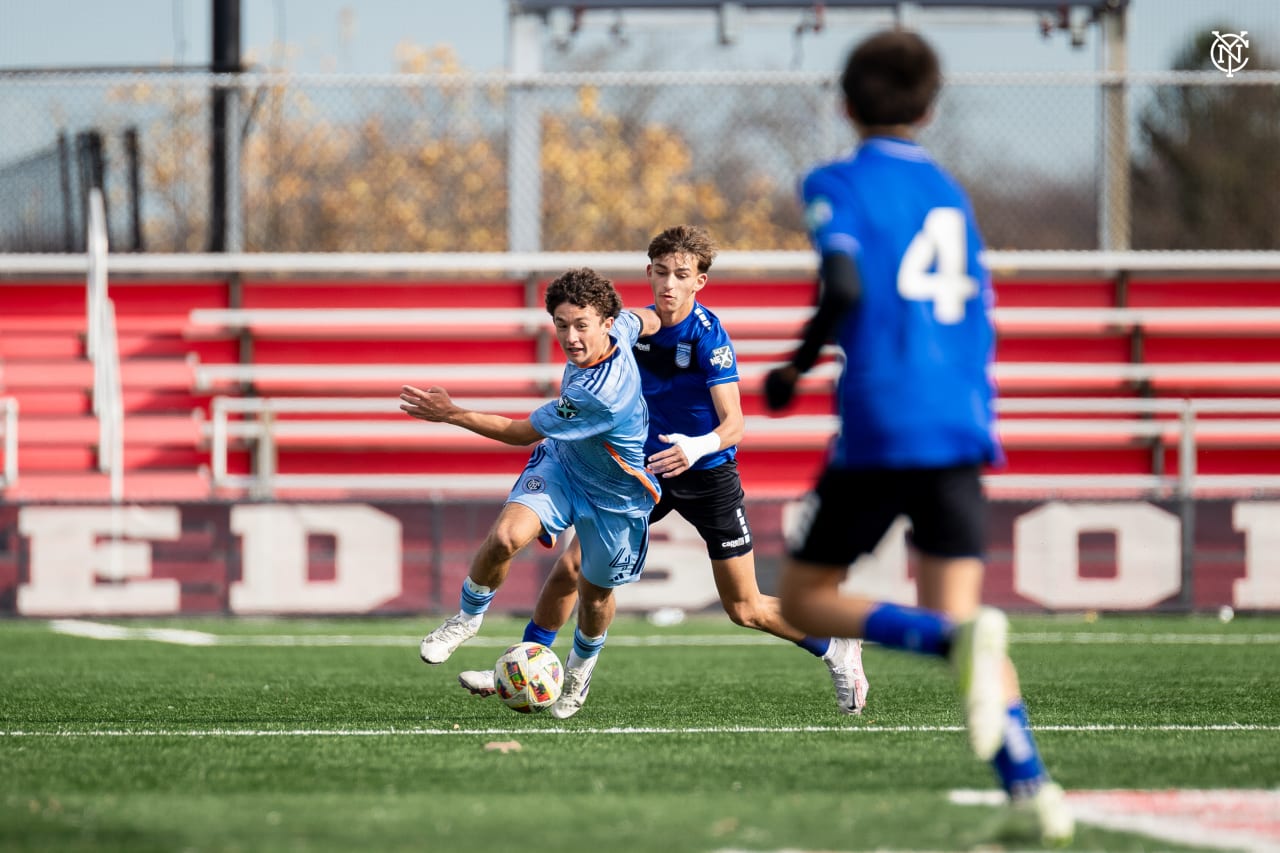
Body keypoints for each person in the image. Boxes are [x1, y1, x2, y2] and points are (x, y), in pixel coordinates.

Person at [761, 31, 1073, 844]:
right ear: (930, 107)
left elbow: (846, 280)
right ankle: (1030, 789)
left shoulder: (835, 180)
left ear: (845, 103)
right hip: (963, 421)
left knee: (804, 598)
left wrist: (793, 367)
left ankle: (950, 641)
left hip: (882, 418)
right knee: (965, 620)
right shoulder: (949, 192)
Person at [457, 225, 869, 716]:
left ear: (700, 282)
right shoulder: (631, 326)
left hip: (706, 472)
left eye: (681, 274)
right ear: (647, 274)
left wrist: (698, 447)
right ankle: (528, 663)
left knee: (745, 607)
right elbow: (617, 336)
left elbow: (735, 424)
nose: (669, 284)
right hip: (642, 474)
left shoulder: (709, 338)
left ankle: (835, 647)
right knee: (570, 570)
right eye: (660, 272)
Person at [403, 267, 662, 720]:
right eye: (562, 325)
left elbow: (518, 432)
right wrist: (674, 318)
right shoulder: (620, 324)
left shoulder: (600, 394)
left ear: (603, 322)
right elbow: (648, 319)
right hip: (563, 464)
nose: (571, 337)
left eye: (581, 325)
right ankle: (466, 619)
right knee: (505, 538)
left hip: (616, 496)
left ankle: (578, 672)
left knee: (594, 593)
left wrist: (451, 413)